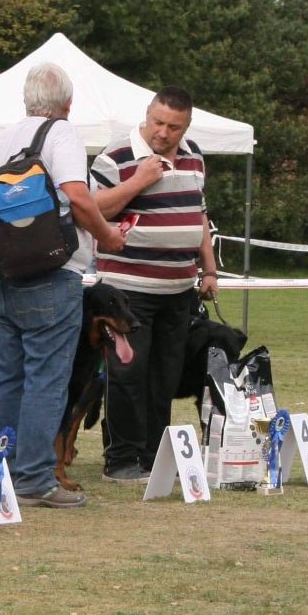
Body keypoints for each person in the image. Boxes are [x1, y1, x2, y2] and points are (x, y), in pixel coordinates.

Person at [0, 62, 125, 509]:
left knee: (5, 376)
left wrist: (12, 248)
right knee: (46, 378)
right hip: (54, 277)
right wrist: (108, 236)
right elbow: (76, 195)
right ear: (68, 106)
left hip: (0, 275)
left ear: (26, 101)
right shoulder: (62, 135)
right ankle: (35, 478)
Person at [89, 85, 219, 484]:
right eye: (158, 122)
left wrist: (209, 269)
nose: (163, 133)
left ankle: (154, 456)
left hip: (178, 289)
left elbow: (197, 215)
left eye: (174, 127)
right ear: (147, 114)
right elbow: (93, 210)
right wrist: (139, 180)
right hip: (128, 289)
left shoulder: (195, 156)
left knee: (165, 376)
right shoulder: (115, 157)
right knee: (129, 374)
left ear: (187, 125)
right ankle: (122, 459)